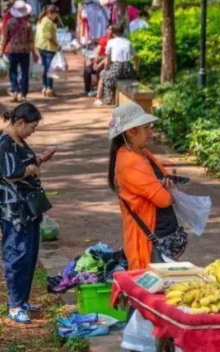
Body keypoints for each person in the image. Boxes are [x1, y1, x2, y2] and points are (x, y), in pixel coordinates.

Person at [0, 103, 56, 324]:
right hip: (14, 211)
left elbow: (25, 163)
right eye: (32, 127)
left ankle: (22, 300)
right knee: (17, 255)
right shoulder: (4, 143)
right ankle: (15, 304)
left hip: (28, 208)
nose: (33, 131)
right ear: (20, 123)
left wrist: (39, 160)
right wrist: (30, 169)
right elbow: (12, 172)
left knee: (29, 255)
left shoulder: (18, 141)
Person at [107, 101, 185, 270]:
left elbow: (158, 181)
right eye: (146, 127)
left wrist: (164, 184)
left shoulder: (139, 153)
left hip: (159, 235)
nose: (150, 132)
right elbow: (164, 200)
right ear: (130, 132)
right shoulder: (131, 162)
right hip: (150, 240)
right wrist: (168, 191)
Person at [0, 0, 35, 103]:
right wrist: (35, 53)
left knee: (13, 71)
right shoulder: (28, 25)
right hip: (25, 51)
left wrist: (1, 50)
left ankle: (14, 92)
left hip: (12, 50)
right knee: (24, 73)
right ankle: (23, 95)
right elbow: (31, 40)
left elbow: (5, 37)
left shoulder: (9, 22)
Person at [95, 25, 138, 106]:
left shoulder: (111, 42)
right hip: (128, 70)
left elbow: (107, 59)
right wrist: (136, 69)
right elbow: (136, 57)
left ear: (113, 33)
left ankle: (105, 99)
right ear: (123, 32)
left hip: (116, 68)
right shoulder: (128, 42)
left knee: (104, 76)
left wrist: (105, 69)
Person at [81, 25, 114, 97]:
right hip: (100, 59)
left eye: (111, 30)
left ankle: (99, 91)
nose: (109, 31)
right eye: (108, 29)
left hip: (109, 61)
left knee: (100, 69)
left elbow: (108, 56)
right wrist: (95, 63)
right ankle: (87, 90)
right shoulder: (103, 39)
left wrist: (99, 64)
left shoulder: (114, 41)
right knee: (87, 69)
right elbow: (97, 52)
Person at [34, 5, 60, 97]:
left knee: (45, 68)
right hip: (49, 48)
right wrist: (57, 45)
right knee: (50, 69)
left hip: (41, 47)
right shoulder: (48, 22)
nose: (56, 16)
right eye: (55, 14)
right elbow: (49, 37)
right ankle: (49, 88)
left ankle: (45, 87)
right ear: (50, 13)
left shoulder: (40, 20)